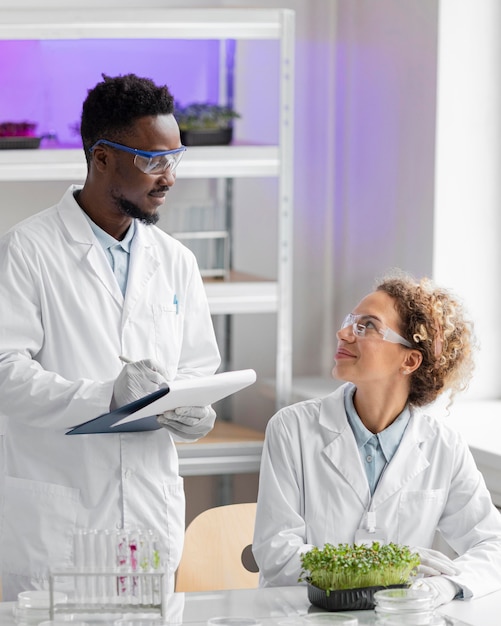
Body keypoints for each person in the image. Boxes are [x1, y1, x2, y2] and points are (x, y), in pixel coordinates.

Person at [0, 73, 221, 600]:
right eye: (152, 161)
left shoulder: (176, 262)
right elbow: (5, 371)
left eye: (175, 158)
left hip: (148, 514)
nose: (168, 176)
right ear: (102, 158)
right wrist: (106, 398)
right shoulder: (26, 250)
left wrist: (195, 408)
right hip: (59, 521)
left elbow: (197, 367)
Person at [253, 270, 501, 605]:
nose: (343, 333)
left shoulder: (443, 445)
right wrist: (391, 564)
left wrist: (447, 586)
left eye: (367, 326)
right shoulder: (292, 429)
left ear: (410, 360)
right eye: (350, 321)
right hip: (304, 615)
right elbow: (277, 555)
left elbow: (493, 545)